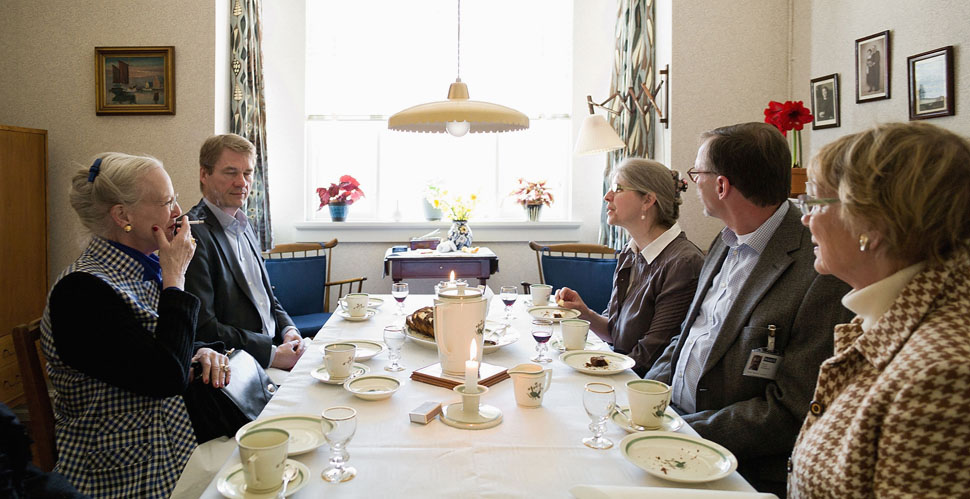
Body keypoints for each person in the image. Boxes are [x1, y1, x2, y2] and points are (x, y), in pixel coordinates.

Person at [644, 123, 853, 495]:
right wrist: (646, 397)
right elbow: (688, 336)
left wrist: (683, 431)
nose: (692, 183)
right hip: (671, 433)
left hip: (738, 467)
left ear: (722, 186)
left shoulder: (820, 266)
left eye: (698, 174)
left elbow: (791, 408)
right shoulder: (724, 240)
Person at [788, 122, 970, 497]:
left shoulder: (942, 374)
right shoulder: (892, 312)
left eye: (814, 203)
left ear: (872, 223)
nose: (804, 218)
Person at [42, 153, 230, 497]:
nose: (178, 213)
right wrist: (175, 279)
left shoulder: (140, 272)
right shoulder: (81, 291)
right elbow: (163, 377)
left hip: (175, 446)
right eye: (166, 202)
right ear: (122, 216)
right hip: (124, 473)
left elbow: (170, 344)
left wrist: (203, 350)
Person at [555, 159, 704, 374]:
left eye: (617, 189)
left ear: (647, 200)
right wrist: (584, 312)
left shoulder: (683, 263)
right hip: (621, 371)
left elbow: (651, 356)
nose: (607, 197)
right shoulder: (630, 252)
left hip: (640, 387)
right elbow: (615, 332)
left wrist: (595, 371)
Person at [185, 134, 306, 374]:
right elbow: (204, 327)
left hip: (277, 352)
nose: (242, 182)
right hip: (239, 369)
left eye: (247, 173)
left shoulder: (245, 224)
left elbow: (264, 296)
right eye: (231, 172)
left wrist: (288, 330)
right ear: (204, 175)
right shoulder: (191, 232)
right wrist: (271, 355)